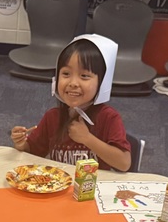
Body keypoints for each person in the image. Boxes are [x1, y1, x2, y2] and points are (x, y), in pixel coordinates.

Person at [10, 34, 131, 172]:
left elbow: (124, 163)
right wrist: (21, 144)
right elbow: (31, 153)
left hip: (93, 185)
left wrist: (87, 139)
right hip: (58, 182)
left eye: (84, 76)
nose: (73, 83)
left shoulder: (109, 118)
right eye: (66, 74)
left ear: (102, 82)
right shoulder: (52, 117)